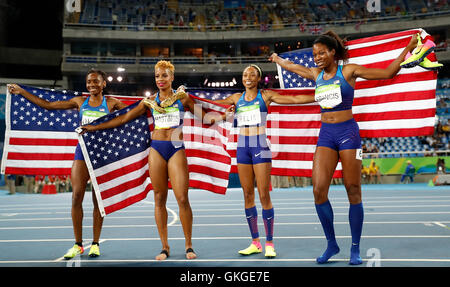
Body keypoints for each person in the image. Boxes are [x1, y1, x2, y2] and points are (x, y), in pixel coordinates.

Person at [269, 30, 418, 264]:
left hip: (348, 134)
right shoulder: (316, 74)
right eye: (314, 54)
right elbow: (292, 67)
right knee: (318, 190)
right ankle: (331, 244)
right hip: (326, 135)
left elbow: (388, 73)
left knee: (353, 190)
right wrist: (277, 60)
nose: (316, 57)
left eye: (320, 53)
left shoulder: (348, 71)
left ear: (333, 53)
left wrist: (408, 47)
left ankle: (355, 249)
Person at [81, 60, 218, 260]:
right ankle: (165, 247)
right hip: (157, 150)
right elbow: (122, 119)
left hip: (176, 148)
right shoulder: (149, 101)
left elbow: (206, 118)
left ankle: (189, 245)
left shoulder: (183, 98)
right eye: (157, 76)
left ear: (172, 77)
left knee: (182, 198)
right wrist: (93, 128)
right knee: (159, 198)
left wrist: (225, 116)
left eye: (164, 75)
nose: (160, 79)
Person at [8, 69, 128, 259]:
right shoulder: (80, 101)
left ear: (104, 83)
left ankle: (95, 243)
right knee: (76, 196)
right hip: (82, 152)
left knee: (98, 200)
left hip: (102, 155)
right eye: (89, 82)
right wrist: (22, 92)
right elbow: (48, 105)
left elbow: (133, 114)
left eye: (96, 81)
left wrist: (153, 102)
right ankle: (78, 244)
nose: (92, 85)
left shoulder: (112, 103)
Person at [214, 64, 314, 258]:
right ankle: (255, 242)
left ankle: (269, 242)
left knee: (263, 195)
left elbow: (293, 99)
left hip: (260, 146)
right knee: (247, 194)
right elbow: (213, 103)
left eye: (252, 74)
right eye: (245, 74)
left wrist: (318, 96)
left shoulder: (266, 96)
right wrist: (186, 98)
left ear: (258, 78)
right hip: (242, 148)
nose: (248, 77)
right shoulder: (236, 98)